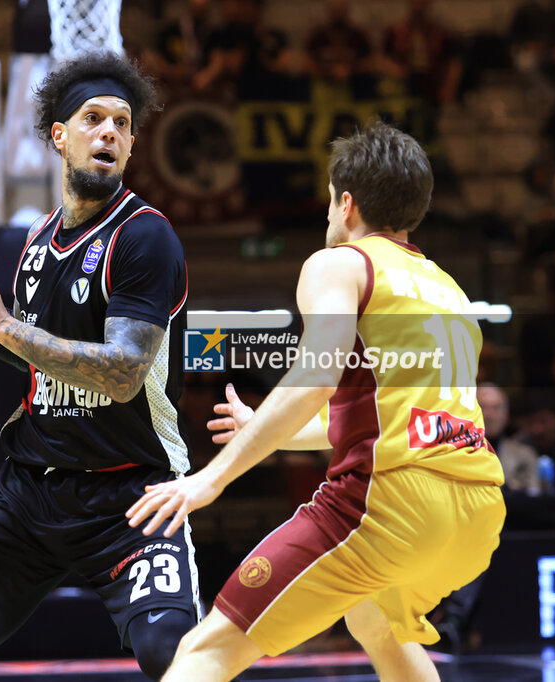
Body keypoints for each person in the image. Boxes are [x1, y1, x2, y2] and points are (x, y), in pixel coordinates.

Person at [127, 121, 506, 681]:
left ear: (346, 203)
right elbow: (384, 412)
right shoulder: (446, 289)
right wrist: (269, 428)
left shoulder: (340, 263)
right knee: (377, 622)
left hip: (389, 505)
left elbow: (316, 373)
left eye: (331, 200)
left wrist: (214, 477)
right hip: (476, 511)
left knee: (207, 650)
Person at [0, 53, 198, 682]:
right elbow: (30, 357)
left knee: (170, 653)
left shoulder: (145, 237)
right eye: (93, 118)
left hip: (132, 496)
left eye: (122, 124)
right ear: (59, 135)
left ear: (132, 143)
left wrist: (2, 324)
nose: (108, 131)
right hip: (31, 490)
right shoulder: (34, 244)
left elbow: (124, 372)